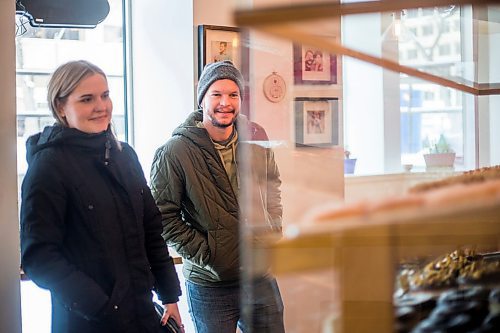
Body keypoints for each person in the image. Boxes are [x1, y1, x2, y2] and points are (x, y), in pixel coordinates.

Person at [20, 60, 184, 333]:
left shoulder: (125, 155)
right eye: (87, 99)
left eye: (105, 95)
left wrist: (170, 296)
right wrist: (100, 306)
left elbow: (151, 232)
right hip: (88, 322)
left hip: (142, 315)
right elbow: (40, 256)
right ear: (61, 107)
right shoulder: (49, 166)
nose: (101, 106)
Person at [150, 60, 285, 333]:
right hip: (210, 284)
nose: (226, 102)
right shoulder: (175, 151)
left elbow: (272, 187)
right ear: (202, 100)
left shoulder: (257, 138)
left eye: (233, 95)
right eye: (217, 94)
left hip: (260, 276)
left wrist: (273, 231)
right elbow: (162, 216)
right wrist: (208, 254)